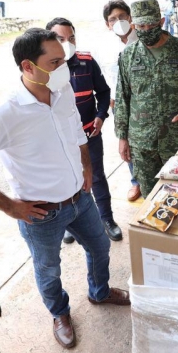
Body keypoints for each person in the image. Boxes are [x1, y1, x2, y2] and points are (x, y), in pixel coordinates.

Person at [0, 28, 130, 351]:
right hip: (42, 213)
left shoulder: (62, 93)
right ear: (28, 66)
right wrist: (11, 207)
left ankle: (99, 291)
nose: (65, 67)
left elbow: (77, 131)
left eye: (65, 60)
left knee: (100, 246)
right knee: (48, 268)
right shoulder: (3, 115)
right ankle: (60, 314)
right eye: (55, 62)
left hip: (80, 198)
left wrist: (86, 167)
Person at [115, 0, 178, 198]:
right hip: (141, 143)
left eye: (151, 24)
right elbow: (122, 98)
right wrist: (122, 137)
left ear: (161, 21)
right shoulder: (128, 56)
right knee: (151, 196)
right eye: (141, 26)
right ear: (133, 25)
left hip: (175, 139)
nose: (146, 29)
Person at [45, 17, 122, 243]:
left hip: (89, 136)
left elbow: (104, 93)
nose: (67, 43)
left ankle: (106, 219)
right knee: (67, 180)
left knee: (96, 177)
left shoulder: (87, 62)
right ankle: (71, 223)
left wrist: (100, 117)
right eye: (59, 39)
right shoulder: (43, 68)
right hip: (59, 141)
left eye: (71, 38)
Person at [101, 0, 142, 202]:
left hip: (143, 105)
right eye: (112, 19)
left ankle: (154, 180)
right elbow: (105, 78)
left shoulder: (144, 40)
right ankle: (137, 183)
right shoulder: (106, 49)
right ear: (107, 25)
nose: (118, 21)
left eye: (122, 17)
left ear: (130, 17)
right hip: (119, 107)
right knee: (126, 147)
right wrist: (110, 99)